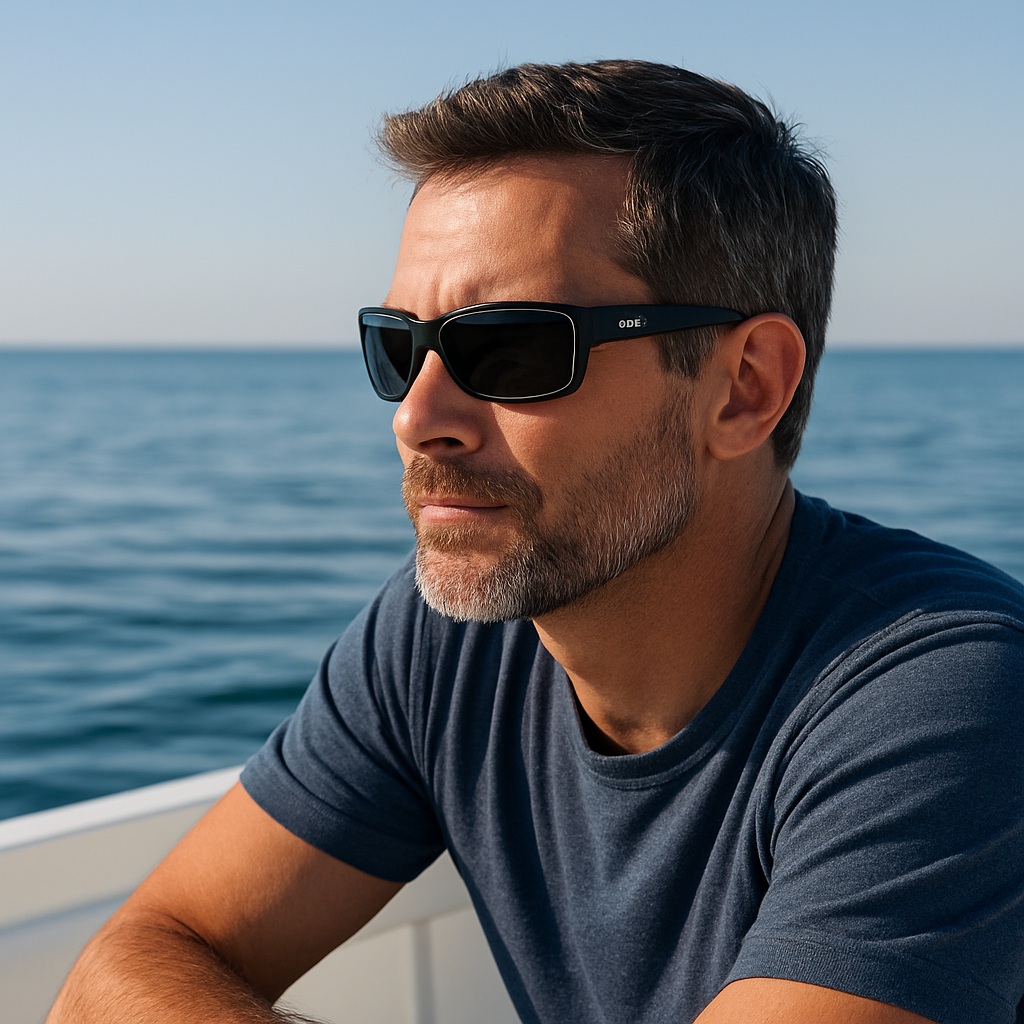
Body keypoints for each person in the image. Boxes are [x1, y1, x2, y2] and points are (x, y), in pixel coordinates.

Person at [49, 60, 1024, 1024]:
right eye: (399, 348)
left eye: (510, 349)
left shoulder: (947, 698)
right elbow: (130, 961)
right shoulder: (448, 637)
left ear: (744, 388)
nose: (418, 416)